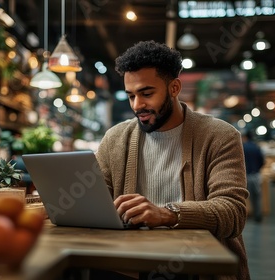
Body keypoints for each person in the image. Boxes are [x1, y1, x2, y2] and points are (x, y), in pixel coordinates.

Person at [95, 40, 250, 280]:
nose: (138, 105)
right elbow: (96, 201)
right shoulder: (115, 139)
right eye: (131, 96)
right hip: (129, 263)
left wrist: (168, 214)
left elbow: (233, 213)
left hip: (196, 267)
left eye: (147, 93)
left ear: (174, 88)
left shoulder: (220, 136)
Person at [242, 130, 265, 223]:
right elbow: (262, 161)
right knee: (257, 196)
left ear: (245, 137)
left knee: (243, 196)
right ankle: (258, 215)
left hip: (245, 175)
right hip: (256, 175)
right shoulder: (257, 147)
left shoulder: (243, 147)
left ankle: (244, 215)